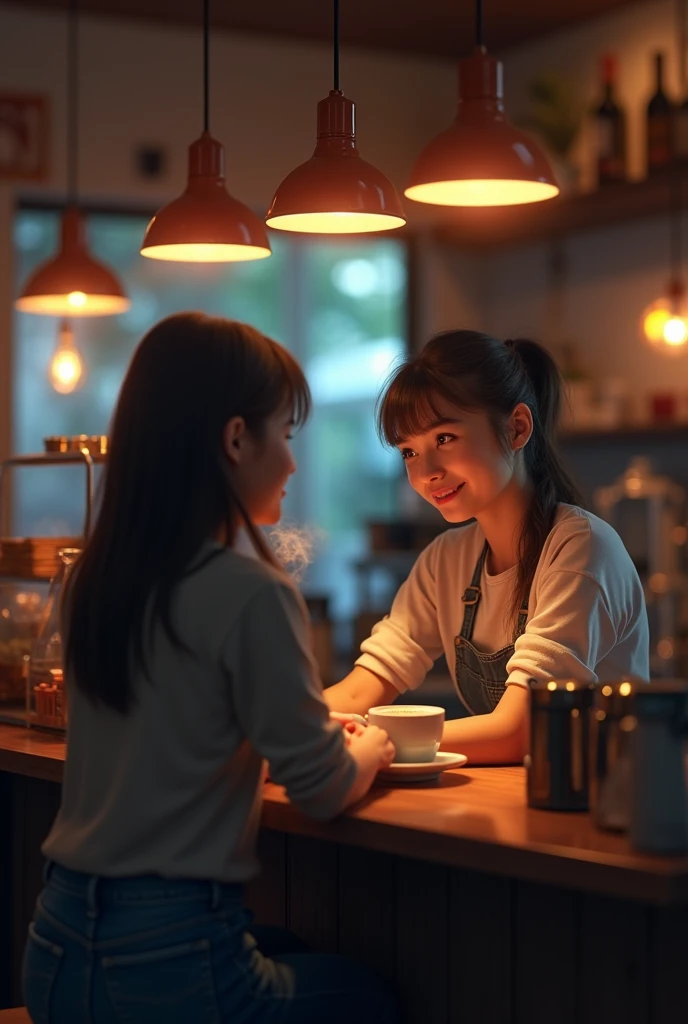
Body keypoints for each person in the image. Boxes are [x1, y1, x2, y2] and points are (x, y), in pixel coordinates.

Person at [23, 312, 398, 1024]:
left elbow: (172, 732)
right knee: (368, 1000)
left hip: (57, 950)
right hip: (166, 965)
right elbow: (320, 789)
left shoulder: (93, 581)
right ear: (235, 439)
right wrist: (371, 747)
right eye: (284, 435)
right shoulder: (252, 590)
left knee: (288, 944)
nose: (291, 462)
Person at [326, 330, 649, 764]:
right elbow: (363, 686)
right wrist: (284, 724)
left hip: (602, 805)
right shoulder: (446, 560)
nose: (427, 473)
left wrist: (376, 737)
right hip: (516, 797)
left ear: (517, 428)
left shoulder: (580, 549)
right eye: (408, 452)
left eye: (443, 439)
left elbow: (522, 729)